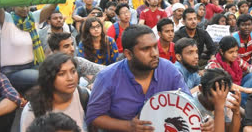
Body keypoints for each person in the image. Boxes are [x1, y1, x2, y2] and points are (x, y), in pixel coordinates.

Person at [86, 25, 215, 131]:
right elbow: (93, 117)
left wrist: (203, 119)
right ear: (128, 54)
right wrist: (128, 126)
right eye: (146, 49)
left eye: (154, 46)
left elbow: (187, 103)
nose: (154, 53)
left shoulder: (169, 70)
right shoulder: (107, 77)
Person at [0, 0, 60, 93]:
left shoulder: (33, 18)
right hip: (12, 71)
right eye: (21, 5)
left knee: (59, 70)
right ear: (12, 6)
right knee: (47, 78)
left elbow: (51, 7)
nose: (25, 8)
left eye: (27, 5)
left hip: (34, 65)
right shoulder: (6, 19)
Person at [20, 53, 89, 132]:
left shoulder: (84, 95)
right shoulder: (32, 110)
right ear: (49, 78)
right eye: (61, 74)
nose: (70, 78)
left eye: (73, 71)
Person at [206, 36, 252, 106]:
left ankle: (242, 101)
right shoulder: (213, 64)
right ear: (221, 51)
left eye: (236, 51)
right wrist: (249, 90)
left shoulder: (237, 60)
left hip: (238, 88)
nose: (235, 55)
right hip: (223, 93)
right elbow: (226, 84)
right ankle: (242, 102)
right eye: (231, 52)